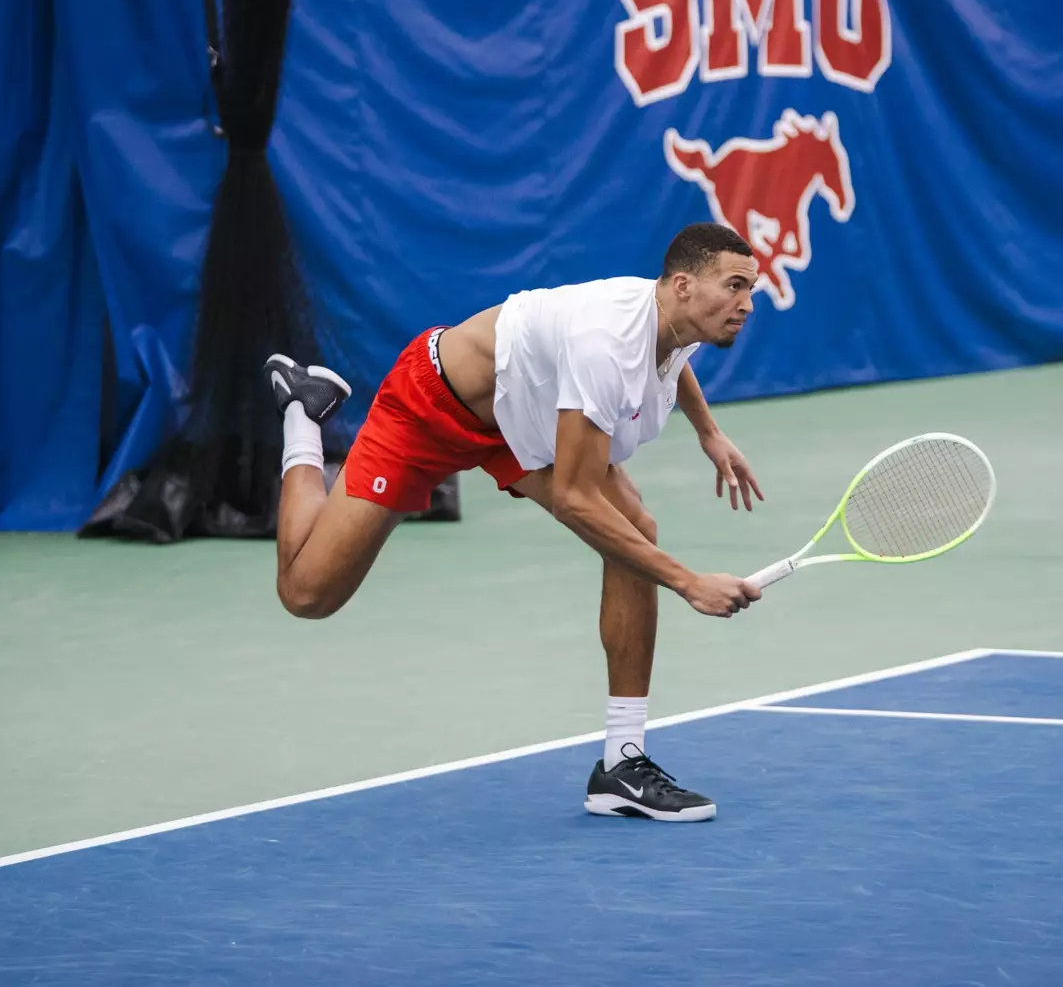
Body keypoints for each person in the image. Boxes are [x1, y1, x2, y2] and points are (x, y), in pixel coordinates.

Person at [265, 222, 765, 821]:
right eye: (735, 286)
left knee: (635, 528)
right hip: (430, 403)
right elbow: (579, 501)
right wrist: (687, 582)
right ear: (683, 285)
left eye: (751, 290)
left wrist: (709, 432)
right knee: (307, 593)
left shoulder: (676, 315)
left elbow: (673, 359)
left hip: (517, 417)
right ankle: (303, 412)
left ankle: (622, 764)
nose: (746, 304)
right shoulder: (606, 341)